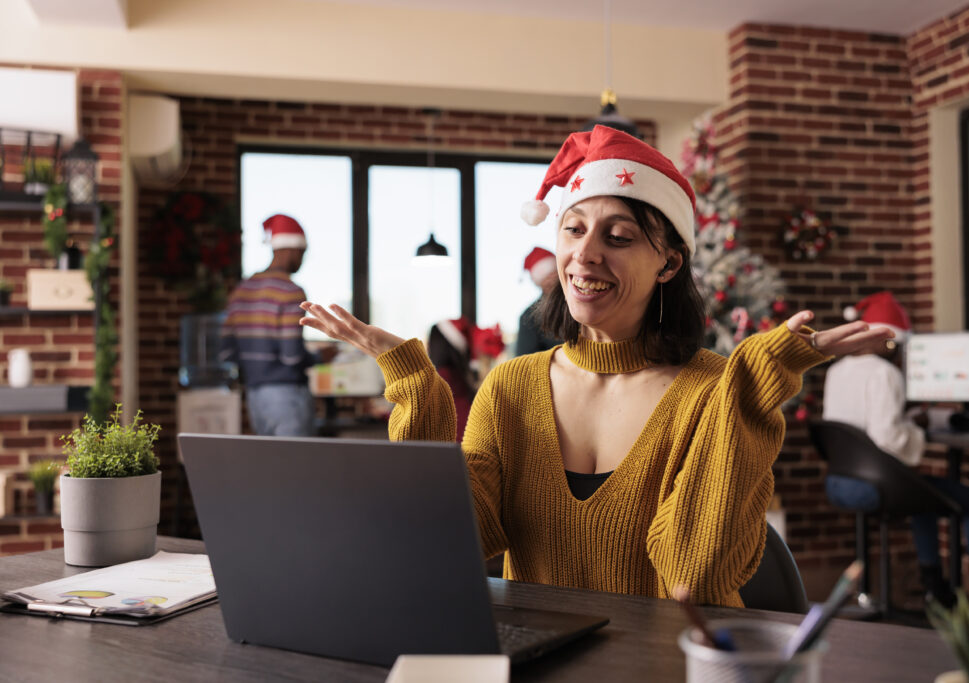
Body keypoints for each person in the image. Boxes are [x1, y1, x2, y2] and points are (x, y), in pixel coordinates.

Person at [300, 125, 891, 606]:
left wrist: (752, 381)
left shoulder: (710, 388)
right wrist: (416, 387)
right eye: (573, 229)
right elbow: (454, 539)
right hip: (544, 661)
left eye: (619, 236)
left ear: (668, 263)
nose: (585, 254)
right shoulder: (511, 386)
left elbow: (697, 577)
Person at [822, 290, 969, 610]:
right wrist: (916, 429)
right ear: (881, 338)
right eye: (893, 344)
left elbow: (858, 429)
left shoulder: (836, 371)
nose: (896, 352)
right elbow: (887, 438)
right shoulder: (885, 374)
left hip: (840, 482)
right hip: (874, 485)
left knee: (923, 498)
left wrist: (906, 420)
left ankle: (936, 589)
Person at [219, 214, 332, 437]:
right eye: (303, 252)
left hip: (255, 397)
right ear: (292, 250)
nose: (303, 259)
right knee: (297, 468)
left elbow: (226, 353)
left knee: (270, 467)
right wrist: (321, 358)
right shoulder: (290, 291)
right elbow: (291, 356)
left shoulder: (241, 291)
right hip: (288, 398)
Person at [514, 247, 561, 356]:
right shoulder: (529, 317)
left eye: (553, 273)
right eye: (546, 277)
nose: (552, 279)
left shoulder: (581, 303)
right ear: (539, 282)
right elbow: (525, 360)